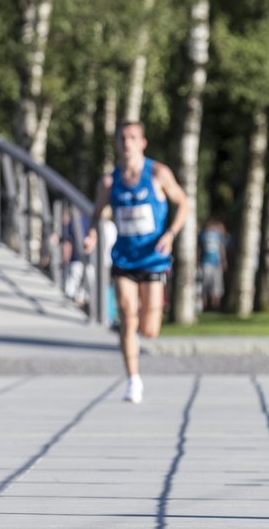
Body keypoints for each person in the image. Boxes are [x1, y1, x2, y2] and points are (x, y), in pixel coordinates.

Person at [84, 121, 187, 404]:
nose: (127, 143)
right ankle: (133, 380)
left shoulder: (158, 174)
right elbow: (96, 213)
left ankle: (138, 335)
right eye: (122, 139)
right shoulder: (109, 181)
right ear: (117, 144)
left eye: (132, 138)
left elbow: (184, 202)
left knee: (149, 329)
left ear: (143, 143)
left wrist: (171, 233)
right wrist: (92, 233)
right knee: (127, 317)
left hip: (153, 258)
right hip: (124, 259)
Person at [199, 216, 228, 312]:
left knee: (217, 287)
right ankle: (205, 306)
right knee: (205, 285)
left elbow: (221, 249)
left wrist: (223, 261)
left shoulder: (218, 235)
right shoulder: (203, 234)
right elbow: (199, 249)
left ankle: (215, 307)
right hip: (205, 262)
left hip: (216, 263)